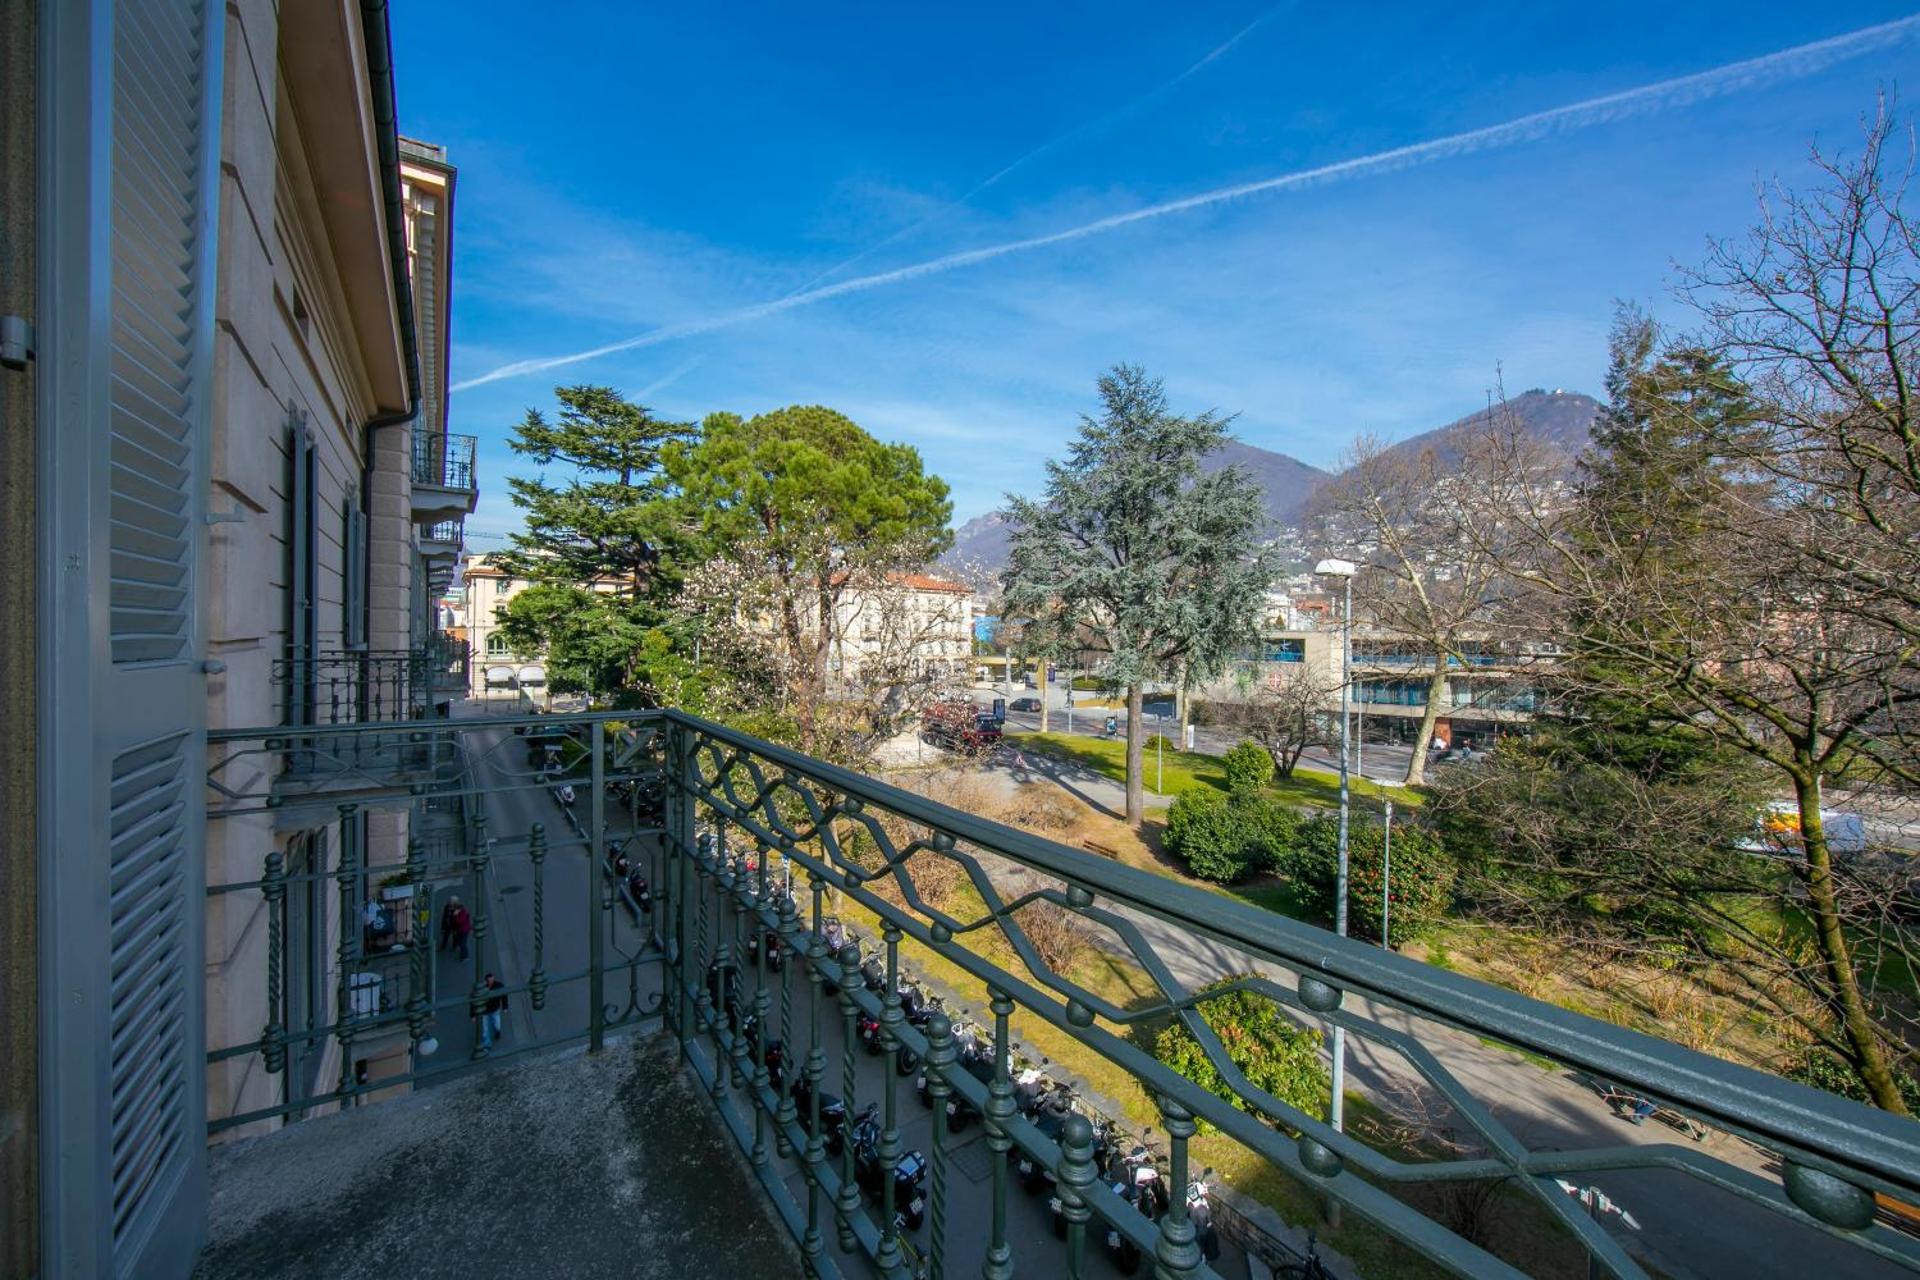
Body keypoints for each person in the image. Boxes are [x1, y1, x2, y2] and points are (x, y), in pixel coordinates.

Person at [478, 973, 506, 1049]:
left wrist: (505, 1007)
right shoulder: (482, 988)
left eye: (492, 980)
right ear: (486, 981)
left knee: (497, 1025)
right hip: (485, 1012)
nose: (492, 981)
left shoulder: (498, 985)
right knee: (485, 1030)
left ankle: (497, 1031)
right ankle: (487, 1045)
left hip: (494, 1009)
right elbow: (475, 1001)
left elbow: (504, 996)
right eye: (490, 980)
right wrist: (473, 1015)